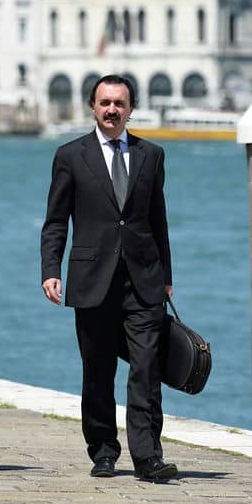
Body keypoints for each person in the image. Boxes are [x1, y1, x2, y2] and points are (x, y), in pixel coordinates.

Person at [40, 74, 176, 481]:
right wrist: (51, 270)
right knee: (97, 369)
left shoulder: (152, 155)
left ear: (131, 108)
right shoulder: (70, 155)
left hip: (144, 279)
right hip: (91, 278)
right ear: (93, 108)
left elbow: (158, 221)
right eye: (105, 103)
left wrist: (166, 277)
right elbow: (55, 221)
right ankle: (102, 450)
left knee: (146, 369)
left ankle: (147, 455)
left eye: (119, 103)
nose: (112, 110)